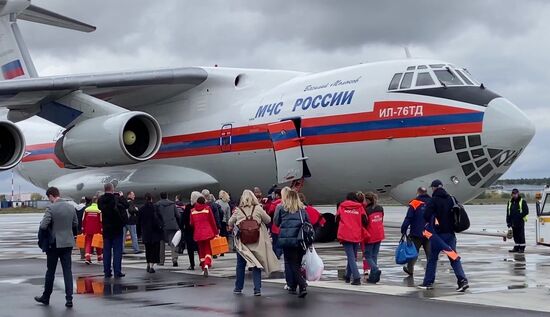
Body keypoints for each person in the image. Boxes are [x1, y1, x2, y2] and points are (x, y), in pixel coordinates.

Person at [419, 180, 469, 292]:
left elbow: (426, 215)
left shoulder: (434, 200)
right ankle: (462, 280)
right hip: (450, 234)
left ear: (434, 188)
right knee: (453, 257)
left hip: (438, 236)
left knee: (432, 259)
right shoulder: (452, 198)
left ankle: (428, 282)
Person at [228, 190, 280, 296]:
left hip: (242, 242)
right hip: (257, 241)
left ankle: (238, 288)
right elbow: (268, 220)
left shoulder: (238, 210)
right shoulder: (258, 208)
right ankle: (257, 289)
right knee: (257, 264)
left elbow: (230, 222)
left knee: (240, 265)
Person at [34, 187, 78, 308]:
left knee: (50, 272)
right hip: (67, 243)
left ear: (51, 196)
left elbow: (43, 225)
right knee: (67, 271)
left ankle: (46, 297)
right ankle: (69, 299)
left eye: (49, 198)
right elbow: (75, 224)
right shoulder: (70, 207)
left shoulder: (51, 208)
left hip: (54, 244)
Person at [274, 189, 310, 298]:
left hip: (287, 240)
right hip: (300, 239)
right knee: (297, 263)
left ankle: (302, 284)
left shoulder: (281, 208)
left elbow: (276, 222)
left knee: (291, 263)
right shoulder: (302, 209)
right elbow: (308, 221)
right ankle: (296, 285)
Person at [336, 192, 368, 285]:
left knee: (351, 257)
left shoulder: (342, 206)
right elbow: (365, 221)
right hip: (356, 234)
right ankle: (347, 275)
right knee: (352, 257)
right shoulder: (359, 207)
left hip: (345, 234)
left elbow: (337, 219)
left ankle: (356, 277)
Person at [98, 183, 128, 278]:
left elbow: (100, 208)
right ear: (112, 189)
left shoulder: (101, 200)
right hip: (117, 228)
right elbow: (126, 205)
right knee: (117, 251)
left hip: (106, 228)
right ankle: (117, 271)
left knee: (106, 251)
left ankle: (107, 271)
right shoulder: (116, 198)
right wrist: (121, 196)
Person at [400, 187, 431, 276]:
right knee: (430, 254)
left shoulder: (414, 203)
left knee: (413, 252)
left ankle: (410, 269)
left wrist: (403, 229)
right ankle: (430, 271)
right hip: (429, 233)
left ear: (418, 193)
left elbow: (409, 217)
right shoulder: (431, 202)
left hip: (416, 233)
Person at [190, 196, 218, 276]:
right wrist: (215, 232)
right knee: (208, 250)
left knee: (201, 251)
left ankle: (203, 266)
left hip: (198, 234)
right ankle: (207, 264)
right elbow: (212, 221)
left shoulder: (192, 211)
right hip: (208, 233)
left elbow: (191, 223)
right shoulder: (207, 209)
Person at [138, 193, 164, 273]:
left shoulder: (141, 209)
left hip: (146, 232)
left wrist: (139, 233)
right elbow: (160, 219)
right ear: (151, 199)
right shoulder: (155, 208)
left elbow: (138, 222)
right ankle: (152, 266)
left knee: (148, 249)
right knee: (155, 250)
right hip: (155, 232)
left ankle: (148, 263)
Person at [363, 192, 385, 284]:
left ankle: (375, 269)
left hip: (370, 235)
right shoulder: (380, 208)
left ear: (368, 200)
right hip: (379, 234)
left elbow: (364, 223)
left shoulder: (366, 210)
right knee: (374, 256)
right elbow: (382, 219)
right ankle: (372, 277)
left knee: (367, 255)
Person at [156, 192, 181, 266]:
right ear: (167, 196)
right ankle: (174, 259)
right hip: (172, 225)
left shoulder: (157, 205)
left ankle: (161, 260)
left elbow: (156, 216)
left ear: (160, 197)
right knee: (173, 243)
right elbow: (178, 215)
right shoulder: (172, 204)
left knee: (161, 244)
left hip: (162, 226)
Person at [182, 191, 202, 270]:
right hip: (198, 230)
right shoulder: (201, 207)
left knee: (190, 249)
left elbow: (183, 219)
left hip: (189, 231)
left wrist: (182, 228)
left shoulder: (188, 207)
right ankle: (202, 261)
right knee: (199, 248)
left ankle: (192, 264)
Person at [507, 188, 529, 253]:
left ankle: (522, 248)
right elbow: (508, 212)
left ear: (518, 194)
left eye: (515, 194)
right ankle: (516, 247)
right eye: (513, 194)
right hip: (512, 221)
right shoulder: (510, 202)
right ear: (512, 194)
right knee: (515, 235)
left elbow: (526, 211)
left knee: (521, 235)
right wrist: (508, 222)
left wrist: (519, 217)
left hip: (520, 221)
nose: (514, 195)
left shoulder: (522, 201)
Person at [82, 196, 103, 264]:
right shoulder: (99, 210)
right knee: (97, 243)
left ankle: (87, 257)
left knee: (88, 242)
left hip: (88, 229)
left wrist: (83, 228)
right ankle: (99, 257)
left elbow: (83, 220)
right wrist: (102, 229)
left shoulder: (87, 209)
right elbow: (101, 221)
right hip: (97, 229)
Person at [268, 188, 284, 259]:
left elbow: (269, 213)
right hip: (284, 227)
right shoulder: (286, 203)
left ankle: (276, 255)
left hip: (275, 226)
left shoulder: (274, 204)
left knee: (275, 242)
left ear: (277, 195)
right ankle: (279, 253)